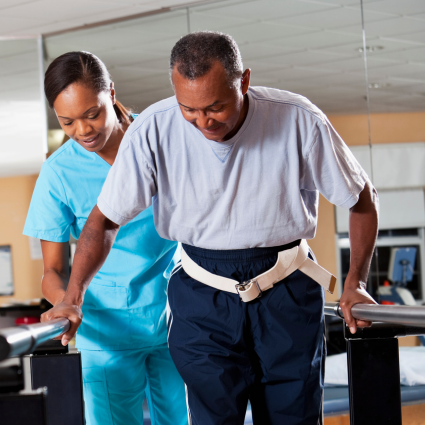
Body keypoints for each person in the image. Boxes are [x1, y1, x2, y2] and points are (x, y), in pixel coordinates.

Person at [44, 33, 379, 425]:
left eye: (216, 106)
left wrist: (356, 280)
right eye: (189, 108)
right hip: (203, 297)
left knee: (295, 416)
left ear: (245, 81)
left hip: (286, 289)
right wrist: (73, 296)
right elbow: (103, 221)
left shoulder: (298, 119)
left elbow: (361, 199)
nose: (204, 121)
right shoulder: (153, 128)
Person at [23, 51, 187, 425]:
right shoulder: (58, 173)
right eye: (67, 122)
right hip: (104, 329)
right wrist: (66, 302)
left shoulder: (160, 135)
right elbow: (52, 270)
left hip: (177, 315)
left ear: (110, 93)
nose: (83, 131)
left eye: (92, 113)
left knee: (186, 419)